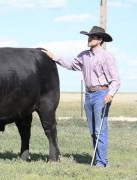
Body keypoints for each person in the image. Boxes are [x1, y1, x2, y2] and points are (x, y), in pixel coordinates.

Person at [42, 26, 121, 167]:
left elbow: (115, 79)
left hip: (102, 94)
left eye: (92, 37)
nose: (89, 39)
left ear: (100, 40)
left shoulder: (107, 56)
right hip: (89, 95)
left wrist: (110, 94)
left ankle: (101, 163)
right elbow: (72, 64)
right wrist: (54, 57)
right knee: (93, 131)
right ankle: (100, 160)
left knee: (99, 130)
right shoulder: (84, 55)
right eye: (89, 37)